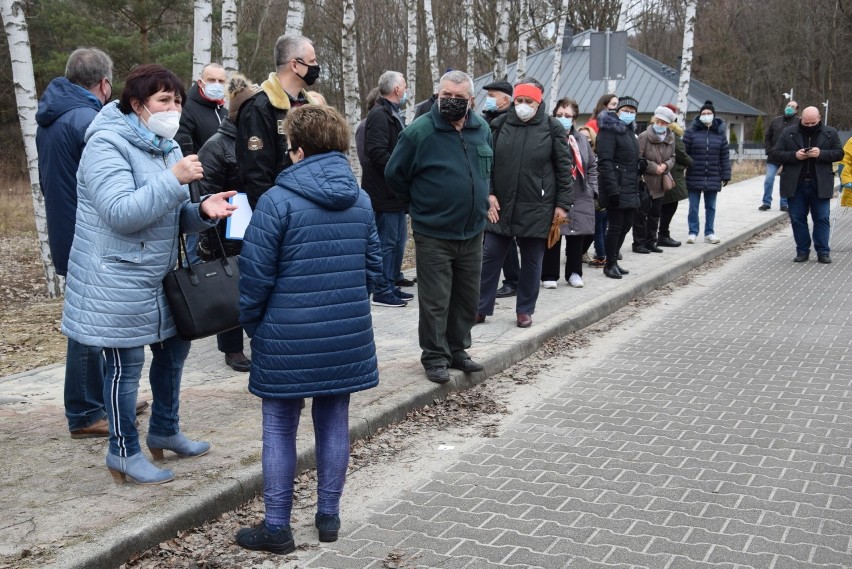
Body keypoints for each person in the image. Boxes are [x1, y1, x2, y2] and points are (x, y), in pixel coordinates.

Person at [61, 64, 238, 485]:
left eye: (177, 101)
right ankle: (122, 451)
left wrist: (202, 212)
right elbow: (122, 214)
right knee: (126, 364)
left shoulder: (167, 146)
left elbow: (170, 215)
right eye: (163, 100)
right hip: (115, 277)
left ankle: (165, 428)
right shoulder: (106, 144)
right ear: (137, 104)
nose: (173, 108)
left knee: (175, 350)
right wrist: (171, 180)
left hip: (159, 274)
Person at [236, 105, 381, 553]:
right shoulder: (361, 199)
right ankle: (329, 517)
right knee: (334, 419)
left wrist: (255, 326)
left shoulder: (278, 201)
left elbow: (254, 276)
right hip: (345, 334)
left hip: (286, 334)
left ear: (297, 151)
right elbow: (375, 271)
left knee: (280, 425)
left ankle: (277, 527)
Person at [35, 48, 143, 438]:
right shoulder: (88, 119)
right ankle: (84, 410)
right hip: (87, 232)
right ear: (104, 84)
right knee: (88, 324)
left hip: (66, 226)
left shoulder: (54, 116)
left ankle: (104, 395)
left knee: (91, 315)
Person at [385, 70, 490, 384]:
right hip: (434, 231)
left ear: (471, 100)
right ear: (438, 96)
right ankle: (434, 356)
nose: (453, 102)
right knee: (436, 298)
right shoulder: (420, 132)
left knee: (467, 296)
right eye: (447, 97)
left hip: (472, 230)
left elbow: (486, 170)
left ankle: (458, 349)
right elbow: (394, 174)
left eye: (459, 98)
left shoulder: (482, 129)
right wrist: (419, 206)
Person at [477, 80, 573, 326]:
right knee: (490, 257)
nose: (522, 106)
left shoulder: (552, 128)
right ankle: (480, 307)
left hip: (537, 207)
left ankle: (525, 309)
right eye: (519, 101)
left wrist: (562, 205)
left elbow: (564, 169)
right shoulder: (498, 125)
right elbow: (486, 165)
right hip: (501, 206)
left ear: (538, 103)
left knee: (532, 261)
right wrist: (489, 194)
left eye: (528, 102)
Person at [196, 74, 261, 373]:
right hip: (226, 233)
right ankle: (231, 348)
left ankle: (260, 339)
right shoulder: (216, 147)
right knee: (230, 289)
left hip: (256, 228)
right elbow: (204, 195)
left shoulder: (258, 142)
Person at [237, 34, 320, 209]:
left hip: (311, 208)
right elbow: (256, 175)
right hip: (281, 212)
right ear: (295, 65)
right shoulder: (259, 108)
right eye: (312, 61)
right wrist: (274, 217)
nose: (316, 67)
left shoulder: (313, 109)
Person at [363, 71, 413, 308]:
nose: (406, 90)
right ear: (397, 90)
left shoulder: (391, 113)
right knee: (386, 242)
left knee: (396, 242)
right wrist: (400, 169)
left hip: (395, 193)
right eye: (404, 85)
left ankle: (391, 283)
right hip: (384, 192)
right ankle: (382, 290)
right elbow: (376, 152)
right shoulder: (380, 115)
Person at [771, 106, 842, 264]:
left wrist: (821, 154)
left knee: (822, 218)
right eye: (806, 122)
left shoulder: (830, 132)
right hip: (795, 184)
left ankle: (823, 252)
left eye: (813, 123)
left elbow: (839, 153)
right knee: (797, 218)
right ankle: (802, 251)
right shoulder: (788, 132)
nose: (809, 125)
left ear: (819, 118)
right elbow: (775, 153)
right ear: (801, 118)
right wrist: (795, 156)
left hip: (820, 183)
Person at [176, 63, 228, 265]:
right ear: (201, 82)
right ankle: (194, 289)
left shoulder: (223, 110)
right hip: (197, 186)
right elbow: (183, 145)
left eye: (221, 81)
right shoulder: (188, 108)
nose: (216, 84)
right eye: (211, 80)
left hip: (221, 186)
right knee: (196, 245)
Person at [541, 98, 595, 289]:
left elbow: (591, 165)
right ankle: (549, 274)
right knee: (554, 233)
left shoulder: (580, 139)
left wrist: (592, 189)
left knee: (576, 235)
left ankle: (574, 273)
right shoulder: (547, 136)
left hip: (579, 193)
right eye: (559, 115)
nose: (563, 118)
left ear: (574, 119)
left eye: (567, 116)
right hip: (554, 193)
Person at [596, 95, 644, 279]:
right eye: (625, 111)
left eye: (632, 112)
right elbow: (606, 162)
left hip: (631, 186)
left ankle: (614, 259)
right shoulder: (608, 130)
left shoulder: (629, 131)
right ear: (617, 112)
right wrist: (612, 189)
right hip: (616, 187)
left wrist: (641, 164)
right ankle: (609, 264)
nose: (629, 114)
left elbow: (630, 158)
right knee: (615, 226)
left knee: (626, 225)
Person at [481, 80, 519, 299]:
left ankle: (513, 280)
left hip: (503, 189)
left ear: (506, 99)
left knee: (502, 235)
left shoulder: (510, 122)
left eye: (493, 95)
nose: (489, 99)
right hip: (487, 186)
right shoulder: (487, 120)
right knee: (493, 237)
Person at [683, 100, 731, 245]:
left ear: (713, 115)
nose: (706, 115)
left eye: (709, 113)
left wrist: (726, 174)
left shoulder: (720, 134)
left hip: (713, 175)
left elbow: (724, 155)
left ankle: (709, 232)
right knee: (693, 207)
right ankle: (692, 232)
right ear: (699, 116)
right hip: (694, 174)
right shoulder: (691, 132)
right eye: (703, 113)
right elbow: (684, 153)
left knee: (711, 206)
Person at [633, 105, 676, 254]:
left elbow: (673, 157)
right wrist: (653, 167)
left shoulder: (671, 137)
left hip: (660, 182)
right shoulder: (644, 136)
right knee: (641, 214)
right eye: (658, 121)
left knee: (655, 214)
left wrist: (665, 165)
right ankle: (638, 243)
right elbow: (638, 157)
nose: (660, 125)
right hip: (645, 181)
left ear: (668, 124)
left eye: (663, 123)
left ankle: (652, 241)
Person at [657, 103, 693, 247]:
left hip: (665, 173)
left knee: (663, 206)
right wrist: (691, 162)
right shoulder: (672, 135)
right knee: (669, 205)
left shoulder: (663, 133)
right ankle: (663, 235)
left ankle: (660, 234)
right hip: (671, 175)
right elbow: (681, 153)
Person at [577, 126, 607, 268]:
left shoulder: (598, 157)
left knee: (596, 231)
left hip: (597, 199)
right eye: (581, 137)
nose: (585, 140)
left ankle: (594, 254)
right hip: (579, 199)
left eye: (588, 138)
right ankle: (580, 253)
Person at [761, 101, 798, 211]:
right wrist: (768, 150)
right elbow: (767, 137)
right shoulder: (775, 121)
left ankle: (784, 203)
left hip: (788, 157)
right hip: (773, 157)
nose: (789, 108)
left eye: (792, 107)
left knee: (785, 180)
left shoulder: (798, 123)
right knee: (769, 179)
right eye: (788, 105)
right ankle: (766, 202)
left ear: (796, 110)